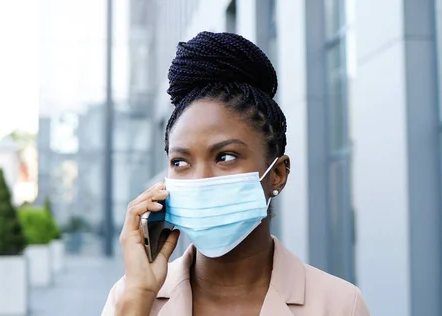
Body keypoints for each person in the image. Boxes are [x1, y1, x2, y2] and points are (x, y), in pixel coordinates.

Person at [102, 31, 370, 316]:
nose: (200, 180)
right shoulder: (131, 296)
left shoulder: (339, 303)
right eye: (180, 162)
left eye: (225, 157)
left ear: (277, 173)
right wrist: (140, 295)